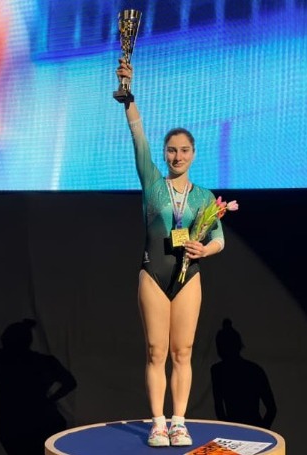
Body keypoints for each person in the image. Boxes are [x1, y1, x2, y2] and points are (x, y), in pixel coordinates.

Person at [116, 58, 225, 447]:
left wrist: (204, 249)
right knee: (155, 350)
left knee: (183, 351)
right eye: (171, 151)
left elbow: (219, 238)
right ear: (164, 154)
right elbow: (138, 138)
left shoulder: (204, 197)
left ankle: (179, 421)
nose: (177, 157)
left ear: (193, 153)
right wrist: (128, 96)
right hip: (154, 275)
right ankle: (158, 422)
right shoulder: (152, 184)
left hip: (188, 277)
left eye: (184, 151)